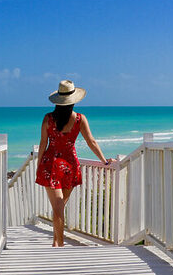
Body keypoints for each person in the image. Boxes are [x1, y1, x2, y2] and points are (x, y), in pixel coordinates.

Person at [35, 80, 115, 247]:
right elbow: (91, 141)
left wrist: (39, 164)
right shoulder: (79, 119)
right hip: (70, 166)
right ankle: (59, 244)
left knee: (58, 206)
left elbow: (43, 143)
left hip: (51, 164)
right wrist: (104, 160)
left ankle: (57, 243)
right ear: (74, 100)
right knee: (60, 205)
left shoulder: (48, 118)